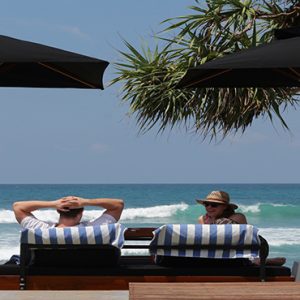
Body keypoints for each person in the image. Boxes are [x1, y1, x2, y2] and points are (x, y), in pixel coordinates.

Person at [196, 190, 286, 266]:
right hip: (219, 255)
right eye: (206, 204)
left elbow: (223, 230)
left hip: (242, 254)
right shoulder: (202, 219)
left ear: (225, 207)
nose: (209, 207)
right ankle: (259, 261)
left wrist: (210, 223)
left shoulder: (238, 217)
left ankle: (260, 260)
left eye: (214, 205)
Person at [13, 196, 124, 229]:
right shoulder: (93, 228)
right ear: (80, 213)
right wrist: (86, 201)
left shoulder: (41, 229)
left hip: (46, 276)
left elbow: (18, 207)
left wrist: (52, 203)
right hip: (88, 276)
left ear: (58, 210)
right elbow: (118, 205)